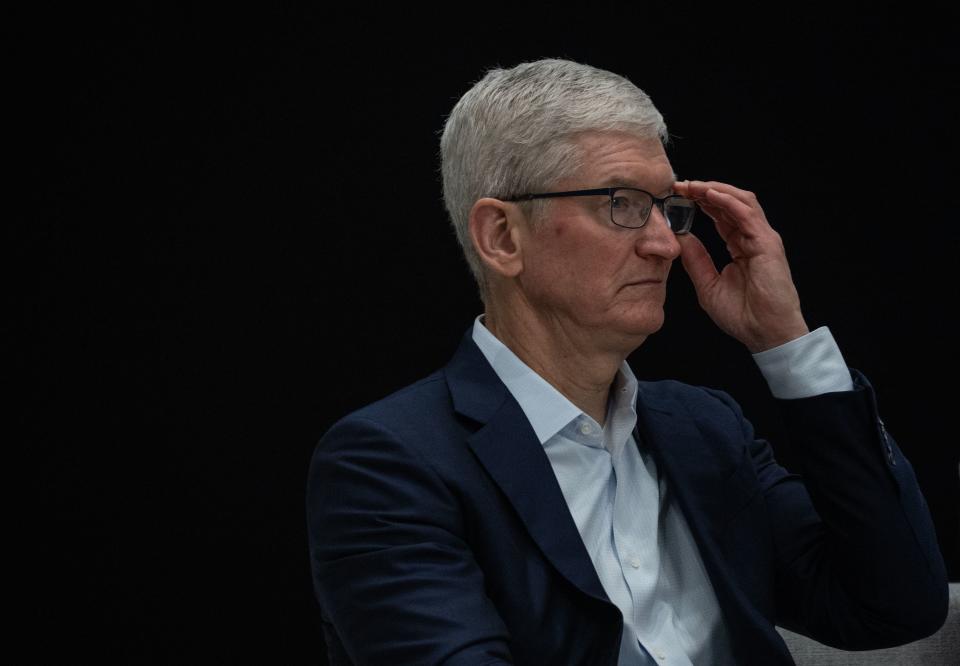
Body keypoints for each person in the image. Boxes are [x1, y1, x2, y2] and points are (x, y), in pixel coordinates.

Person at [306, 59, 948, 665]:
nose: (666, 243)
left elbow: (896, 607)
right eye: (622, 203)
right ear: (502, 237)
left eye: (668, 208)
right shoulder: (390, 462)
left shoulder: (703, 428)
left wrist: (786, 345)